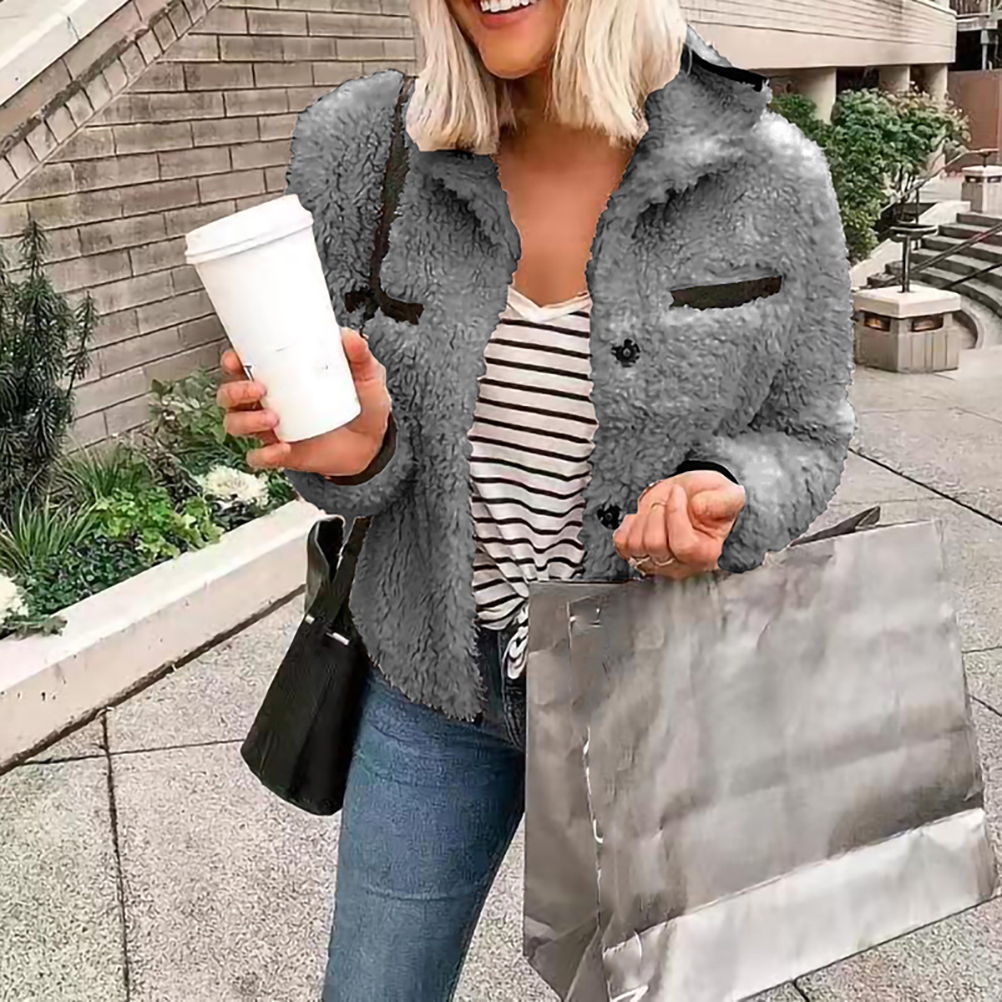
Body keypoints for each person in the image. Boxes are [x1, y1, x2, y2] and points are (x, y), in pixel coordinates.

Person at [217, 0, 856, 996]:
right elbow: (341, 444)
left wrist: (731, 494)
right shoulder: (368, 158)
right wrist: (355, 452)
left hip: (654, 696)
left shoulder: (771, 181)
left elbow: (809, 432)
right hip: (433, 687)